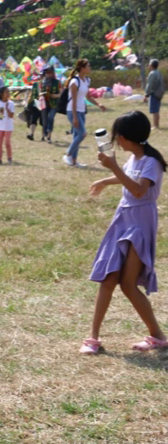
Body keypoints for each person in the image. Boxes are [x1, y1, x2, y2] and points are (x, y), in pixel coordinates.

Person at [80, 111, 168, 354]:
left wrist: (114, 166)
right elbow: (127, 178)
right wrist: (105, 181)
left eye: (118, 135)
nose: (116, 139)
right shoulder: (136, 159)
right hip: (124, 218)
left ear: (129, 137)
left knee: (128, 285)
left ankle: (157, 336)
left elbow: (139, 190)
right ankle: (92, 338)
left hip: (139, 223)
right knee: (109, 277)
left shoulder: (152, 161)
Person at [63, 59, 106, 168]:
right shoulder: (74, 82)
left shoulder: (86, 80)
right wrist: (75, 117)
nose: (90, 68)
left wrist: (98, 104)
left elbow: (88, 96)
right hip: (73, 111)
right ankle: (67, 154)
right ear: (82, 68)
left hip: (82, 111)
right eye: (88, 66)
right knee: (82, 133)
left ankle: (73, 161)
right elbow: (73, 100)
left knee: (76, 136)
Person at [0, 86, 15, 165]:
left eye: (8, 92)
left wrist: (7, 108)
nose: (8, 94)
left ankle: (9, 157)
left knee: (7, 142)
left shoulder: (11, 104)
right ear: (1, 94)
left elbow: (11, 116)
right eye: (6, 92)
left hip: (8, 126)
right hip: (1, 126)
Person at [40, 66, 60, 143]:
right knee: (44, 120)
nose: (48, 74)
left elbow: (60, 93)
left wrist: (53, 95)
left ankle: (49, 136)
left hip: (54, 103)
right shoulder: (42, 82)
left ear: (52, 73)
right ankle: (44, 134)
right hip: (44, 103)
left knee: (51, 117)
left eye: (50, 72)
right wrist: (43, 94)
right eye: (47, 72)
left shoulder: (57, 82)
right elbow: (39, 92)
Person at [143, 59, 164, 130]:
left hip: (154, 93)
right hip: (159, 93)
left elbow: (150, 85)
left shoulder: (152, 73)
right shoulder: (158, 72)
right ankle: (156, 124)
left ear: (151, 66)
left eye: (149, 64)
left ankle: (155, 125)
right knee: (157, 110)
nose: (148, 66)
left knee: (154, 110)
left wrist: (146, 95)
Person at [25, 76, 43, 141]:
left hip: (44, 105)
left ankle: (43, 137)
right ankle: (32, 134)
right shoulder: (35, 85)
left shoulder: (47, 84)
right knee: (33, 119)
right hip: (35, 104)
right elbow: (32, 95)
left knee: (43, 122)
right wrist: (29, 103)